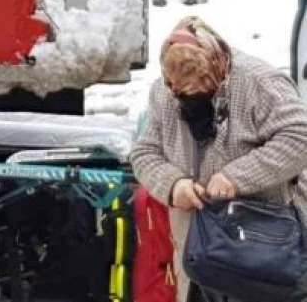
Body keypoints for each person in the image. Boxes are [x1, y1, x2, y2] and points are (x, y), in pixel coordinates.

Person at [130, 16, 307, 302]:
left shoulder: (260, 82)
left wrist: (236, 178)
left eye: (201, 87)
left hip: (265, 250)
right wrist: (174, 186)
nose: (189, 95)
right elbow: (144, 152)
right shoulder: (164, 92)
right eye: (181, 90)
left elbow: (299, 138)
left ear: (216, 69)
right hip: (200, 253)